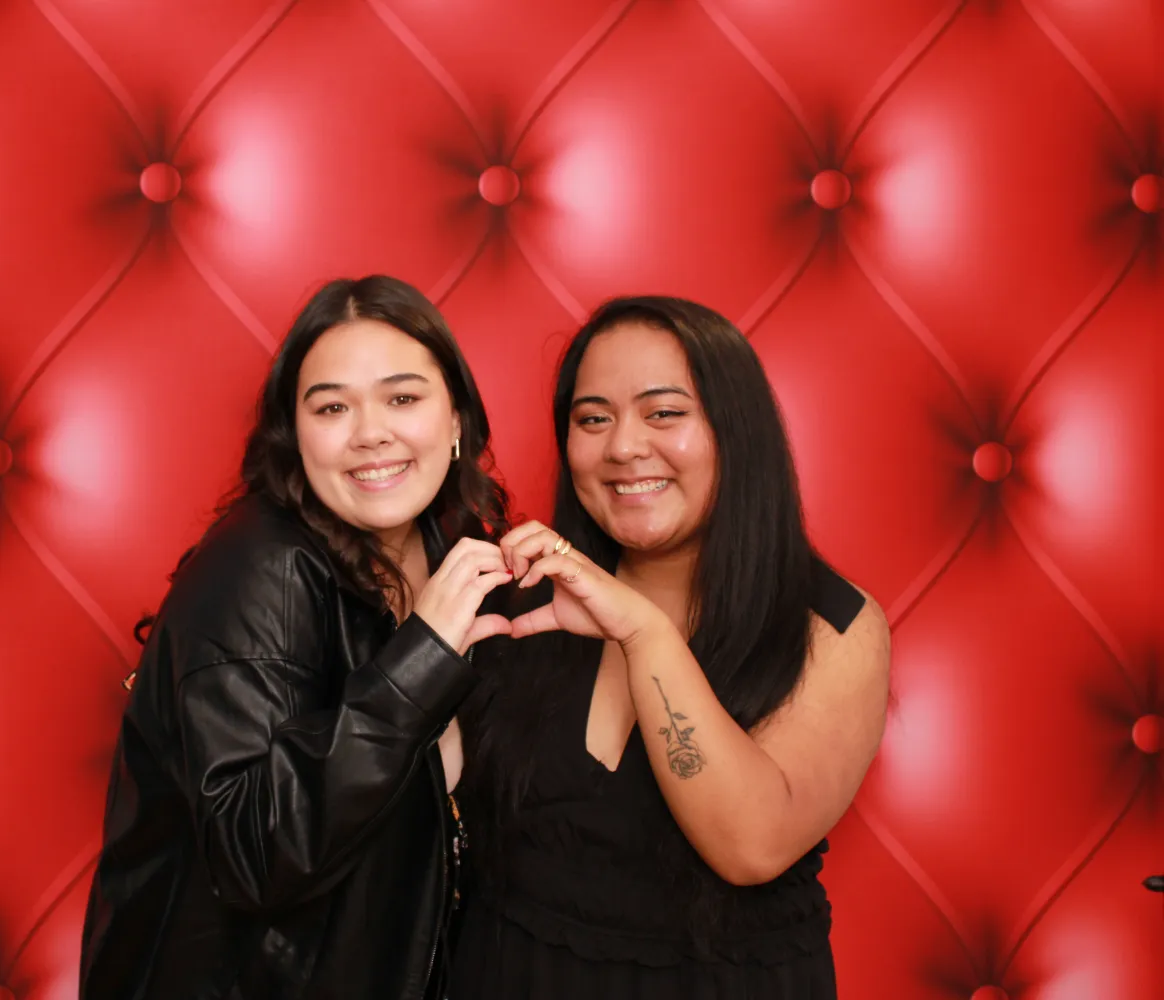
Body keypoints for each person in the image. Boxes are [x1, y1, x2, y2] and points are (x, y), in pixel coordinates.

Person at [78, 275, 515, 1000]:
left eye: (403, 398)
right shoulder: (262, 567)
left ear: (458, 419)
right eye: (333, 407)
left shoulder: (450, 559)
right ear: (295, 434)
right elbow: (254, 853)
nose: (370, 431)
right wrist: (421, 662)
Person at [448, 295, 892, 998]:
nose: (623, 446)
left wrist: (643, 631)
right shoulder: (519, 596)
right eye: (593, 419)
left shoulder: (831, 625)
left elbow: (753, 846)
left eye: (664, 413)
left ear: (735, 430)